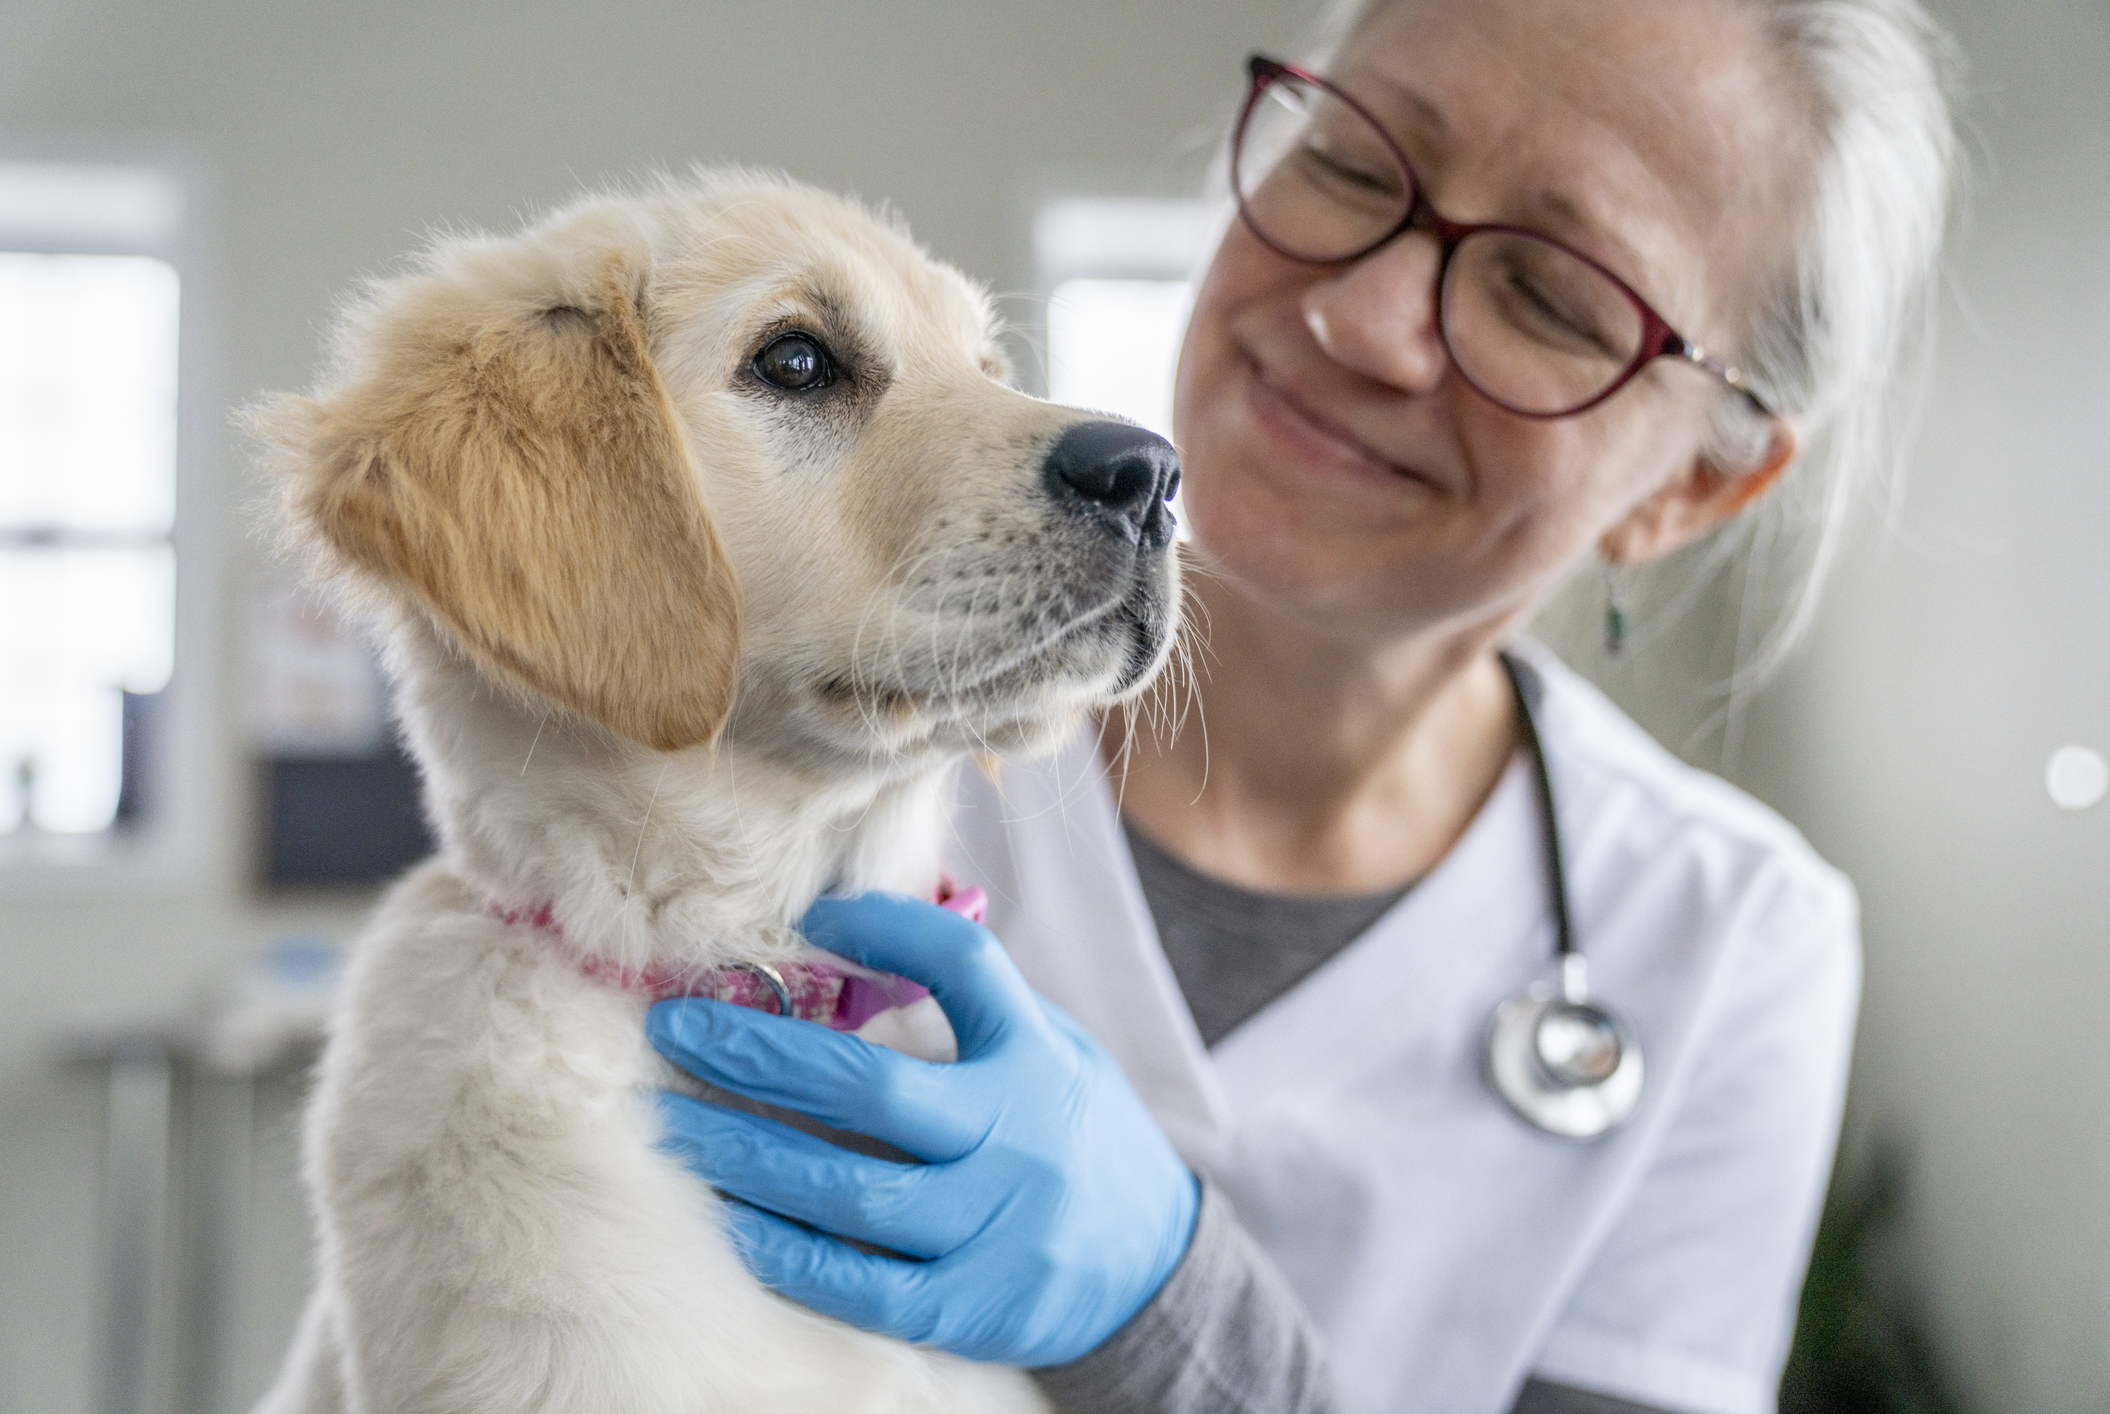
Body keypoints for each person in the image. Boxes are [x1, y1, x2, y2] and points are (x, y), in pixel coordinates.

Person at [645, 0, 1961, 1409]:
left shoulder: (1728, 939)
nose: (1359, 314)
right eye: (1347, 163)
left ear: (1694, 485)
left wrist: (1163, 1303)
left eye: (1549, 297)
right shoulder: (781, 722)